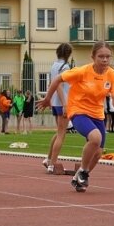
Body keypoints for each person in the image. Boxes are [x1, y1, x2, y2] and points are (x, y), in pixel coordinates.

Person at [37, 41, 114, 192]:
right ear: (93, 57)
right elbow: (57, 79)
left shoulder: (113, 74)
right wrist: (48, 98)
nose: (104, 60)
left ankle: (79, 177)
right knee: (95, 138)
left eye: (108, 57)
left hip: (97, 114)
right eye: (101, 56)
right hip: (78, 110)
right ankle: (83, 171)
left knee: (98, 154)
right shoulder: (81, 71)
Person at [42, 42, 73, 173]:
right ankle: (52, 163)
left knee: (59, 132)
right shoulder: (65, 67)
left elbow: (52, 83)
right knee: (61, 134)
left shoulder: (55, 65)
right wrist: (65, 104)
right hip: (62, 102)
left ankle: (49, 159)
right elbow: (59, 86)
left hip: (56, 102)